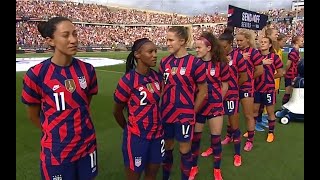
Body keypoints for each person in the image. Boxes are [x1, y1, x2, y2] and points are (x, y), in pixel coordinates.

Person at [21, 17, 99, 180]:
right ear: (51, 41)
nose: (73, 40)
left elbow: (85, 105)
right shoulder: (36, 74)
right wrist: (56, 134)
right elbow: (33, 115)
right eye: (66, 35)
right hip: (57, 153)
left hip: (87, 147)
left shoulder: (88, 70)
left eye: (75, 34)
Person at [159, 26, 207, 180]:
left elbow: (203, 91)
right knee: (167, 148)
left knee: (185, 150)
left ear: (182, 41)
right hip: (166, 112)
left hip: (185, 114)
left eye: (170, 40)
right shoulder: (164, 62)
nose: (167, 43)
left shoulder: (195, 63)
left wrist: (192, 111)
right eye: (167, 39)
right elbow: (161, 88)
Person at [113, 38, 163, 180]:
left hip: (157, 136)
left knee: (151, 175)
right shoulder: (128, 81)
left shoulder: (157, 77)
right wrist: (129, 129)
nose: (155, 55)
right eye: (150, 52)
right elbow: (117, 111)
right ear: (137, 54)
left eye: (155, 51)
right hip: (136, 138)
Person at [201, 28, 248, 166]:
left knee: (234, 125)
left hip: (231, 95)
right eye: (220, 46)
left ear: (230, 44)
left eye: (225, 46)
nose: (222, 49)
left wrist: (233, 88)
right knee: (214, 127)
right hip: (216, 96)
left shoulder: (238, 56)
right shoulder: (215, 58)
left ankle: (237, 154)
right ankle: (212, 147)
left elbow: (244, 77)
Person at [189, 31, 229, 180]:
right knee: (196, 139)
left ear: (209, 48)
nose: (197, 50)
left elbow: (225, 86)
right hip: (199, 106)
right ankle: (194, 167)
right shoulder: (194, 64)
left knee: (215, 139)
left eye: (199, 47)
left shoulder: (221, 64)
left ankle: (217, 170)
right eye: (196, 48)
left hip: (215, 107)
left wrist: (218, 101)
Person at [235, 29, 264, 152]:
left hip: (246, 87)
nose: (239, 42)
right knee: (233, 114)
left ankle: (250, 140)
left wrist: (248, 79)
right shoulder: (236, 52)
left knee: (248, 114)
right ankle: (230, 136)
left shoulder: (254, 53)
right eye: (237, 40)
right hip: (234, 87)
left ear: (247, 39)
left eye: (241, 40)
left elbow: (260, 70)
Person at [253, 37, 284, 142]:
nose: (262, 44)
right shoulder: (255, 56)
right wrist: (261, 62)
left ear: (270, 45)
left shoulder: (274, 57)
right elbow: (249, 69)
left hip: (269, 89)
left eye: (265, 42)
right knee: (255, 110)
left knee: (270, 111)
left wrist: (270, 78)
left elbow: (281, 72)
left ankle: (271, 133)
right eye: (261, 42)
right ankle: (251, 130)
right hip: (256, 87)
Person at [282, 35, 304, 105]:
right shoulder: (294, 51)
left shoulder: (296, 51)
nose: (303, 42)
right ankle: (284, 109)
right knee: (288, 93)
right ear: (297, 42)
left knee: (292, 93)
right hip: (290, 75)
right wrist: (285, 71)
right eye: (301, 41)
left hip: (294, 74)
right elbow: (288, 63)